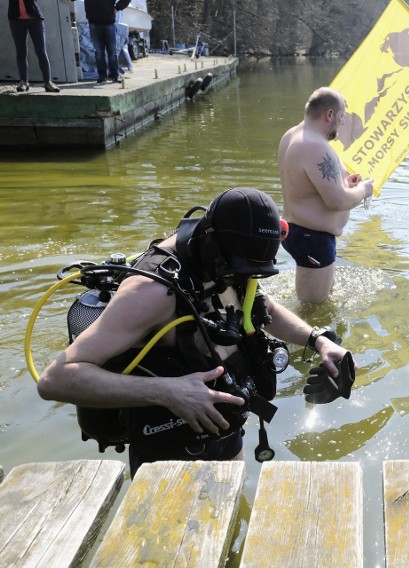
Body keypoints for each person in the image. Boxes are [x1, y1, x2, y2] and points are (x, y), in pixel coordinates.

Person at [37, 187, 353, 475]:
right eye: (237, 271)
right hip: (167, 456)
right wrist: (166, 391)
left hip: (227, 434)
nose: (241, 279)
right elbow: (56, 379)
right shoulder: (150, 292)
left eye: (251, 271)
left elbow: (259, 304)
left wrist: (319, 340)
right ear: (213, 243)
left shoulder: (232, 266)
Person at [278, 86, 374, 304]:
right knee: (312, 314)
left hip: (301, 232)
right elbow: (337, 200)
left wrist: (344, 184)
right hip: (312, 238)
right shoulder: (315, 146)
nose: (342, 123)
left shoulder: (292, 135)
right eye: (341, 117)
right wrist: (363, 190)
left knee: (321, 306)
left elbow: (306, 187)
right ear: (329, 114)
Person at [7, 0, 61, 92]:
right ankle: (24, 82)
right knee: (21, 52)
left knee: (41, 51)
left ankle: (48, 82)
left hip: (35, 18)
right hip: (16, 19)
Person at [84, 0, 130, 84]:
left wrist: (117, 7)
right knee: (99, 52)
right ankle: (102, 76)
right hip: (93, 23)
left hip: (109, 23)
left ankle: (115, 75)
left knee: (112, 52)